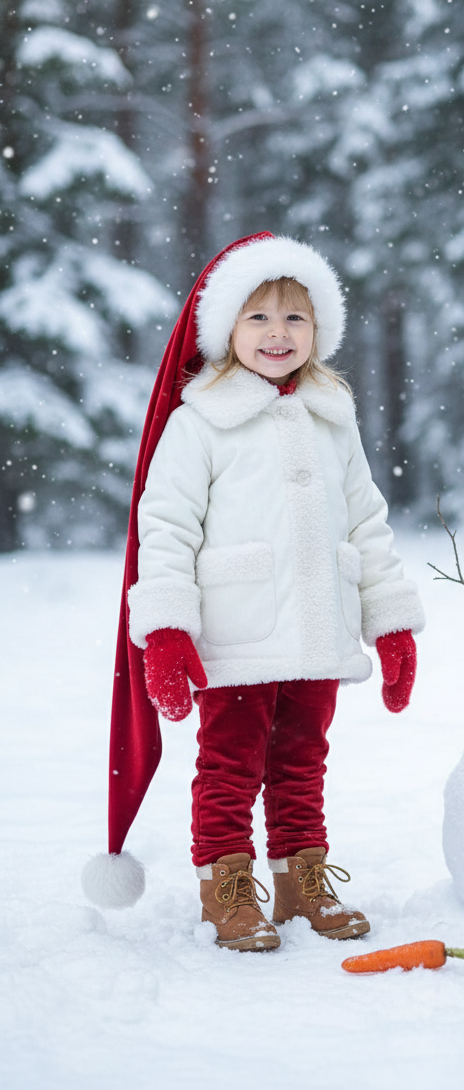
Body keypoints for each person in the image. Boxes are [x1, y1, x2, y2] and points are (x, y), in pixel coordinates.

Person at [83, 232, 424, 952]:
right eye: (258, 317)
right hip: (235, 631)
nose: (277, 334)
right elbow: (166, 529)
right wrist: (168, 632)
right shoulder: (199, 418)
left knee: (303, 758)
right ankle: (226, 886)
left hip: (318, 630)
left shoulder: (333, 415)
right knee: (230, 764)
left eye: (295, 318)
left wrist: (389, 622)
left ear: (319, 329)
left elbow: (366, 519)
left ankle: (303, 876)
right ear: (226, 331)